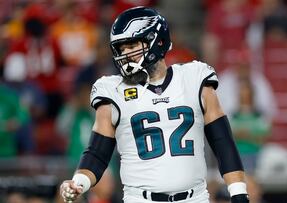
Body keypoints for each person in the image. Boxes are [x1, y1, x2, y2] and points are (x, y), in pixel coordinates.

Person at [59, 6, 249, 203]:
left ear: (157, 41)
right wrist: (78, 182)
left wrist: (238, 191)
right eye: (121, 49)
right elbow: (98, 152)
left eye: (132, 46)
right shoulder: (112, 89)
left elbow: (222, 141)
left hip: (195, 198)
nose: (126, 55)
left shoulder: (194, 77)